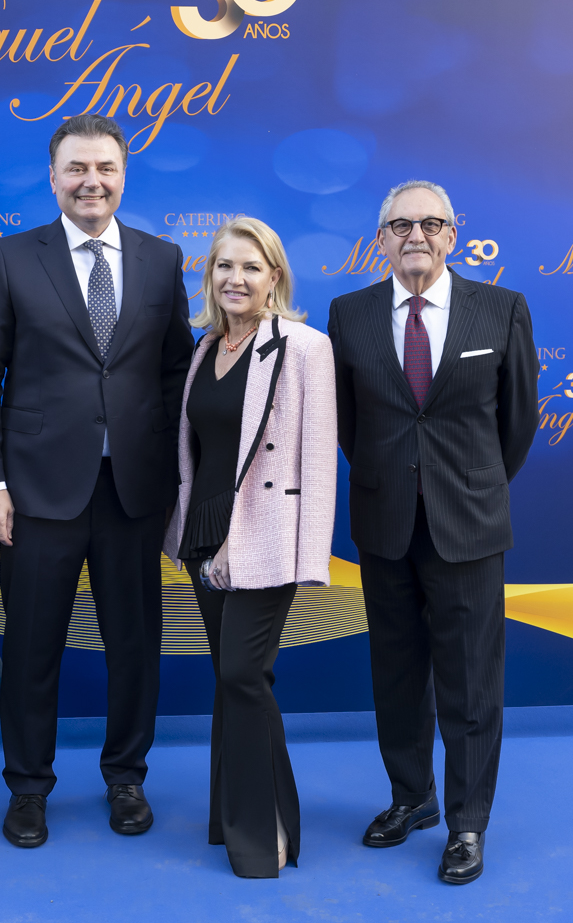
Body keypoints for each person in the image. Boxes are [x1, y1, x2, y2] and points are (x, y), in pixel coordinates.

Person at [0, 114, 194, 848]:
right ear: (54, 177)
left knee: (135, 646)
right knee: (32, 649)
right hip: (34, 493)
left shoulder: (162, 258)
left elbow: (175, 374)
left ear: (123, 175)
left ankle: (126, 777)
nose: (92, 182)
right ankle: (28, 787)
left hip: (134, 491)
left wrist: (178, 483)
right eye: (77, 169)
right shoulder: (11, 256)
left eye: (105, 169)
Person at [327, 180, 537, 885]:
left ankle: (467, 823)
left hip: (469, 524)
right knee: (395, 673)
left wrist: (468, 483)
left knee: (471, 682)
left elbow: (517, 423)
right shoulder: (349, 314)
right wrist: (394, 478)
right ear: (381, 239)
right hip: (384, 521)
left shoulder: (502, 309)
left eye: (430, 223)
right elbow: (348, 423)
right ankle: (411, 798)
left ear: (453, 234)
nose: (415, 235)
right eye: (400, 225)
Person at [162, 217, 335, 878]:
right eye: (224, 266)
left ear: (275, 277)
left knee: (242, 674)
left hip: (264, 536)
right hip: (203, 534)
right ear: (210, 275)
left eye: (251, 267)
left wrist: (306, 557)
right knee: (234, 679)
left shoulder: (304, 348)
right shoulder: (205, 347)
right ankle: (239, 816)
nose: (235, 278)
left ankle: (267, 833)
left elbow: (318, 463)